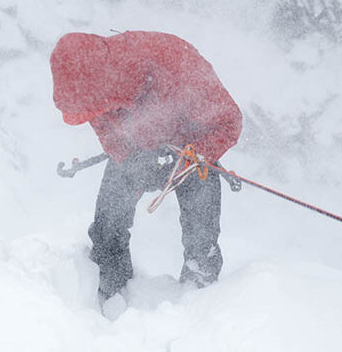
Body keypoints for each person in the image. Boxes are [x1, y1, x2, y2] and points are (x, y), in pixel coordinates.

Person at [50, 31, 242, 303]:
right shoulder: (90, 85)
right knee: (107, 227)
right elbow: (104, 127)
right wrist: (125, 155)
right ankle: (108, 290)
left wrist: (192, 156)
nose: (92, 116)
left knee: (201, 233)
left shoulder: (178, 69)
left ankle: (199, 296)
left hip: (192, 152)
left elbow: (229, 122)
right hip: (137, 151)